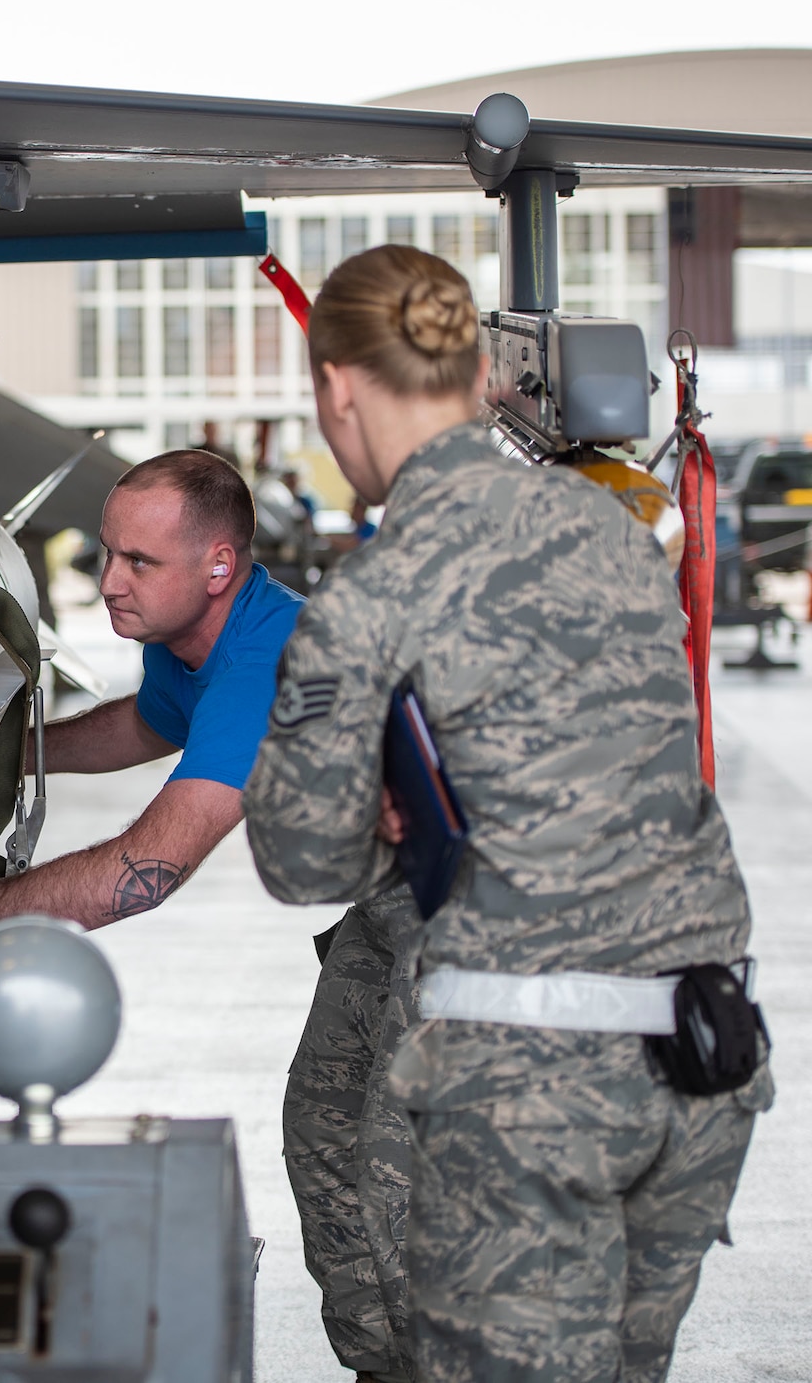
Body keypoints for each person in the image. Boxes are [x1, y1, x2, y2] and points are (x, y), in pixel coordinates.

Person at [243, 245, 769, 1383]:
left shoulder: (374, 596)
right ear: (480, 372)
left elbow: (297, 860)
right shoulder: (615, 538)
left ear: (336, 386)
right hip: (696, 1060)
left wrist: (384, 810)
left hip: (534, 1098)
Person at [0, 450, 301, 966]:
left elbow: (140, 874)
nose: (109, 584)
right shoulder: (186, 634)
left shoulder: (264, 669)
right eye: (108, 554)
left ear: (218, 567)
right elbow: (146, 725)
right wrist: (4, 753)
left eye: (140, 561)